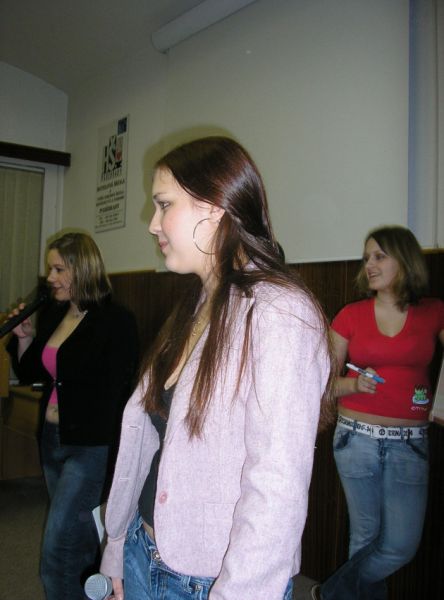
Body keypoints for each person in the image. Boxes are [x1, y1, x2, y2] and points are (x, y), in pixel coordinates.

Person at [100, 136, 334, 600]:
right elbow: (149, 445)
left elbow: (277, 488)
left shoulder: (279, 313)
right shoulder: (196, 304)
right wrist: (118, 548)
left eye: (164, 205)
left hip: (211, 581)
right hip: (145, 553)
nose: (153, 224)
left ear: (214, 207)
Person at [311, 226, 444, 600]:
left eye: (379, 256)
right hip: (356, 438)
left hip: (410, 443)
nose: (369, 264)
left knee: (401, 545)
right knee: (365, 537)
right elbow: (322, 383)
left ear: (405, 260)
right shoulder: (350, 315)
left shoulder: (434, 312)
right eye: (367, 258)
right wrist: (354, 385)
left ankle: (333, 592)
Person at [7, 232, 139, 600]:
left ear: (82, 270)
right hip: (51, 440)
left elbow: (119, 389)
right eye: (50, 269)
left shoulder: (115, 321)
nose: (50, 278)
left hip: (88, 447)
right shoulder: (55, 314)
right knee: (77, 543)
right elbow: (33, 372)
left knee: (57, 549)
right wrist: (24, 338)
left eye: (58, 269)